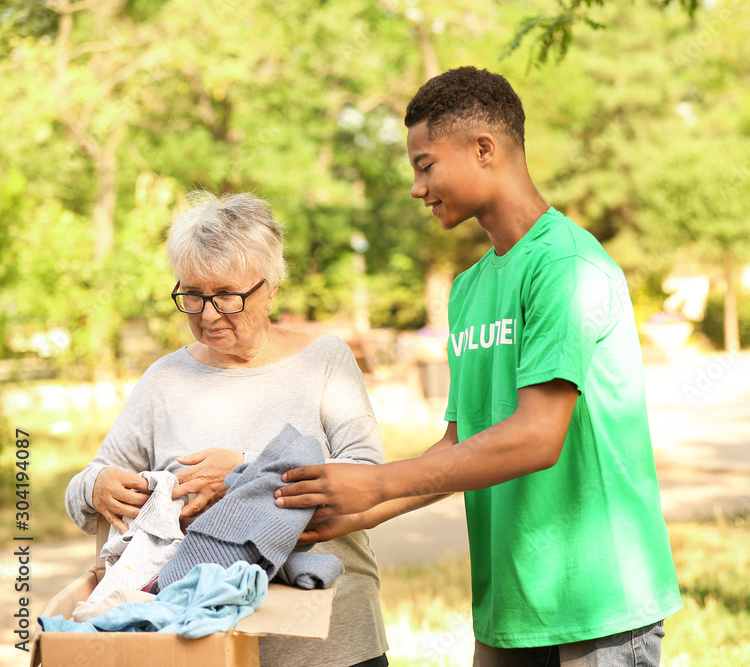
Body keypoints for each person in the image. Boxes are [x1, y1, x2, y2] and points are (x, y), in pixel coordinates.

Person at [276, 66, 683, 665]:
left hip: (594, 602)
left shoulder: (567, 266)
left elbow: (537, 438)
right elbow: (459, 445)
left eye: (425, 164)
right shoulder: (468, 289)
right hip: (508, 605)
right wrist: (351, 510)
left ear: (483, 149)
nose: (417, 187)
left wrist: (379, 481)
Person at [65, 191, 389, 667]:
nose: (209, 314)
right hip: (200, 646)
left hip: (327, 643)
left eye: (227, 296)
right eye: (193, 295)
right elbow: (82, 490)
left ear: (271, 287)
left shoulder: (325, 362)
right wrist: (97, 486)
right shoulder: (164, 379)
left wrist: (242, 476)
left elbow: (366, 477)